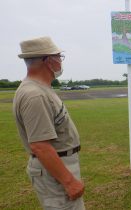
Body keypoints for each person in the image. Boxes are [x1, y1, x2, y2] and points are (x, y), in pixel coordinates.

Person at [13, 36, 85, 209]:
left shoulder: (41, 88)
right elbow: (40, 146)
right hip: (54, 171)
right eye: (58, 56)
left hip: (58, 165)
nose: (60, 61)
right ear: (47, 60)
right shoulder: (35, 94)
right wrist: (69, 182)